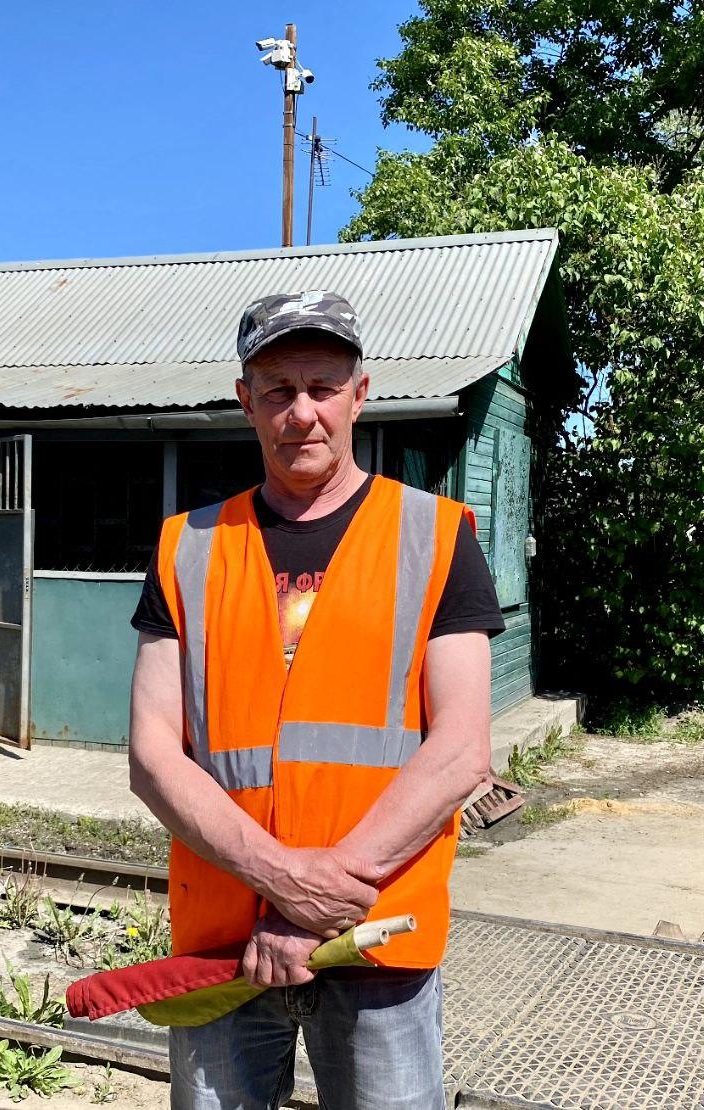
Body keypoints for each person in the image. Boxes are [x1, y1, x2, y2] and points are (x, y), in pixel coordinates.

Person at [128, 289, 506, 1109]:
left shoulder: (436, 536)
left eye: (323, 387)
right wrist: (279, 881)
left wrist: (313, 906)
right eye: (277, 391)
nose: (302, 413)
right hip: (226, 944)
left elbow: (461, 749)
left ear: (360, 393)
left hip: (374, 942)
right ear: (246, 403)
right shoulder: (186, 546)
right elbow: (154, 756)